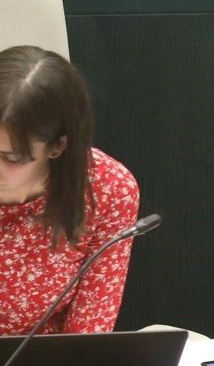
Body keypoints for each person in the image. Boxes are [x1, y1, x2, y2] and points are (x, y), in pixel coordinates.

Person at [0, 46, 140, 334]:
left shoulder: (108, 189)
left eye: (12, 158)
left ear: (57, 146)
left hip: (42, 359)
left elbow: (87, 333)